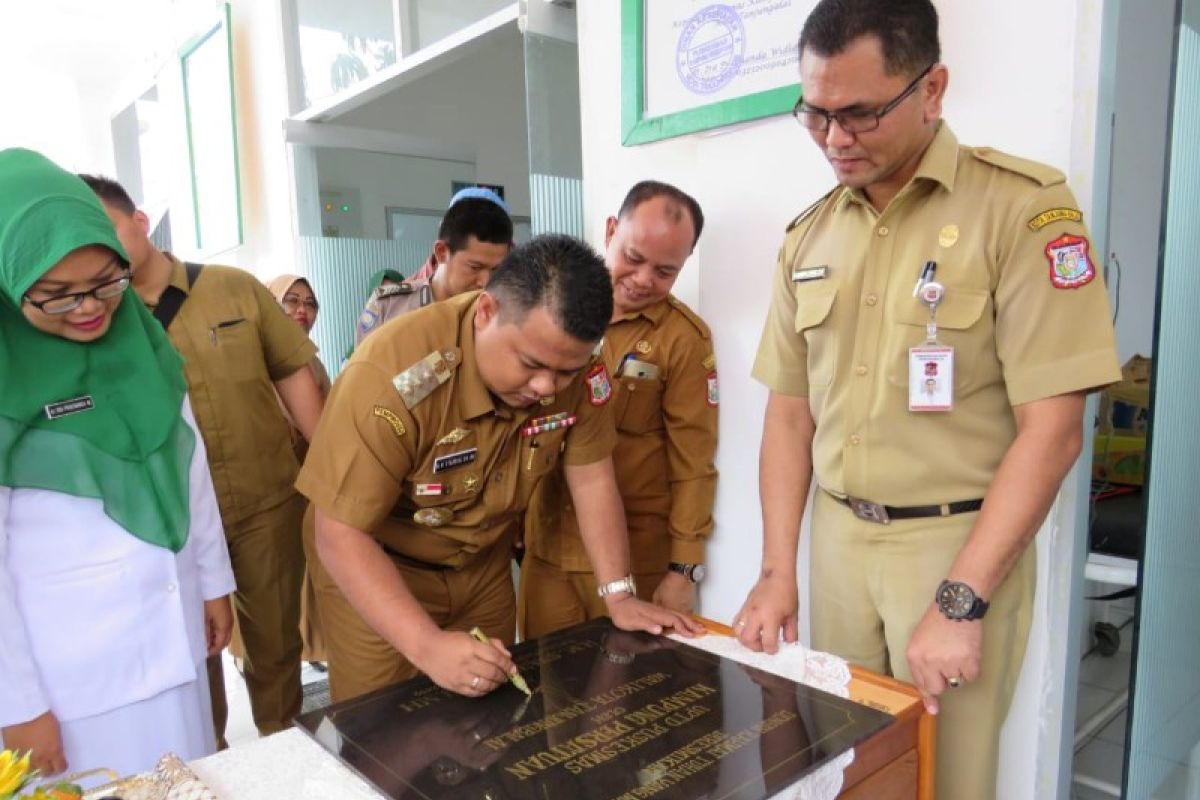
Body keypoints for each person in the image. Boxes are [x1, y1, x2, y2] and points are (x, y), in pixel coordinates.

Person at [732, 2, 1122, 797]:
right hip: (838, 540)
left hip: (954, 546)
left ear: (931, 88)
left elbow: (1052, 430)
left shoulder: (1020, 209)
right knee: (850, 767)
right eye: (814, 113)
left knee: (949, 778)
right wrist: (778, 569)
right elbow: (789, 413)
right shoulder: (807, 237)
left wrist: (960, 599)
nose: (835, 139)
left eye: (860, 113)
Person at [297, 234, 703, 703]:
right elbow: (340, 534)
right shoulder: (391, 375)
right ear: (486, 312)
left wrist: (618, 594)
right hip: (381, 564)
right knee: (384, 725)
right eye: (531, 364)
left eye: (566, 371)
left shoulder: (576, 371)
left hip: (482, 565)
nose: (546, 386)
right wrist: (427, 646)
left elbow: (591, 475)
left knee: (490, 718)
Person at [0, 148, 235, 778]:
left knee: (190, 779)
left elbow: (191, 469)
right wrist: (16, 704)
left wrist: (212, 581)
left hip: (174, 626)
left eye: (107, 281)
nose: (88, 308)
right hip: (74, 683)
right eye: (55, 296)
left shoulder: (141, 344)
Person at [80, 175, 325, 745]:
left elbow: (292, 372)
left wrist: (331, 468)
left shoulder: (233, 289)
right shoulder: (98, 319)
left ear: (140, 221)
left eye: (109, 228)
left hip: (265, 503)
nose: (101, 249)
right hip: (174, 522)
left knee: (276, 645)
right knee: (194, 653)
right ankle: (209, 759)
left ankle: (282, 748)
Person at [520, 181, 718, 637]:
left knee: (624, 700)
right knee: (543, 695)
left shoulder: (683, 339)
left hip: (634, 559)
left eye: (665, 271)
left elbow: (693, 462)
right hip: (548, 549)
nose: (645, 278)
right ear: (611, 230)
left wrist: (683, 569)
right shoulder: (550, 312)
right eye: (634, 257)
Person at [265, 274, 332, 668]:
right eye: (291, 301)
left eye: (309, 302)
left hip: (310, 478)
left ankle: (314, 646)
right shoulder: (259, 357)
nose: (301, 310)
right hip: (274, 484)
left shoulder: (311, 359)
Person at [355, 187, 513, 345]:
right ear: (442, 252)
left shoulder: (505, 314)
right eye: (475, 267)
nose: (485, 282)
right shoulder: (389, 307)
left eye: (496, 269)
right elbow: (363, 368)